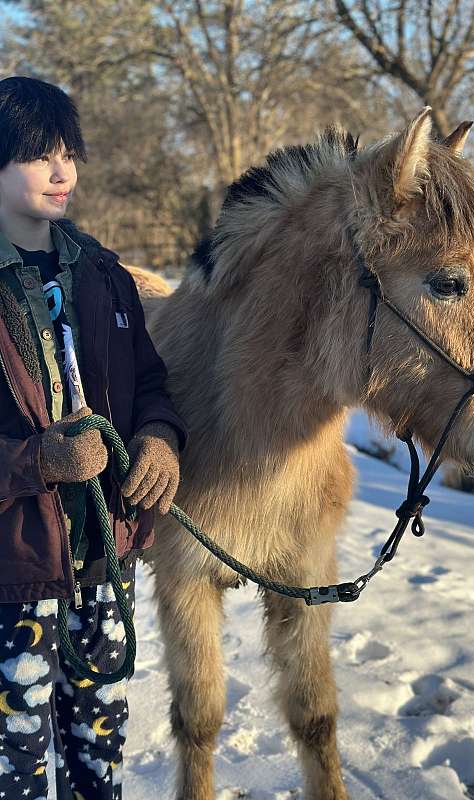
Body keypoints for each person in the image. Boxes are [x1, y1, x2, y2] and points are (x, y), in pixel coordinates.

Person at [0, 75, 187, 799]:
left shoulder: (103, 275)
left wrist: (161, 441)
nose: (62, 171)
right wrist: (34, 460)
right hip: (14, 574)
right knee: (14, 767)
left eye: (68, 152)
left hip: (106, 561)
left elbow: (150, 388)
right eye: (38, 155)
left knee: (98, 756)